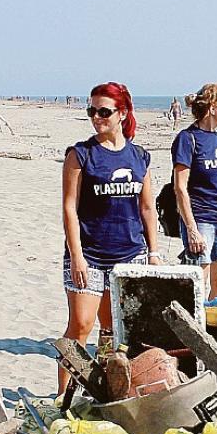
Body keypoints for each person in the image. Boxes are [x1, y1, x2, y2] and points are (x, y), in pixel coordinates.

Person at [60, 81, 162, 393]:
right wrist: (77, 255)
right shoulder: (81, 155)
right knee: (80, 325)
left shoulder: (138, 157)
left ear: (122, 113)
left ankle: (101, 392)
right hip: (89, 254)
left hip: (129, 254)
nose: (96, 117)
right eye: (92, 111)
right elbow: (69, 208)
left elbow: (147, 208)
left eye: (104, 111)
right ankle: (61, 396)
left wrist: (154, 252)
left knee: (111, 331)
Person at [173, 82, 217, 298]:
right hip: (202, 219)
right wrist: (191, 229)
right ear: (212, 108)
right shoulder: (187, 139)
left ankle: (214, 327)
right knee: (197, 283)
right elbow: (180, 188)